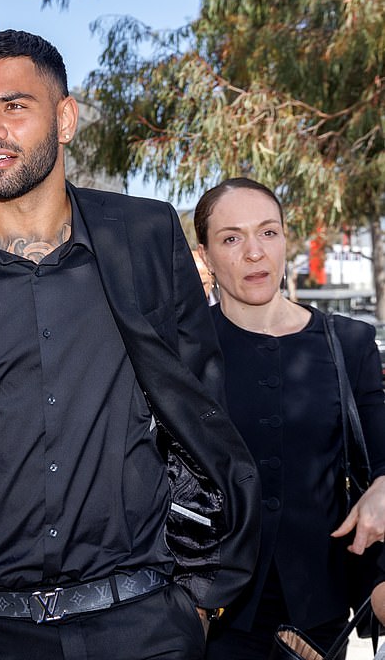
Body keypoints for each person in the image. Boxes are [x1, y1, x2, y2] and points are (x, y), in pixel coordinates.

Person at [0, 30, 260, 660]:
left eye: (14, 106)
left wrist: (204, 600)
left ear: (64, 119)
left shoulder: (146, 237)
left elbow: (205, 417)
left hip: (147, 623)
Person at [193, 176, 385, 660]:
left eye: (268, 232)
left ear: (286, 238)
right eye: (231, 238)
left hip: (317, 621)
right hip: (208, 617)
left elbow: (380, 459)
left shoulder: (350, 343)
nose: (255, 252)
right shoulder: (182, 354)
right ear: (206, 255)